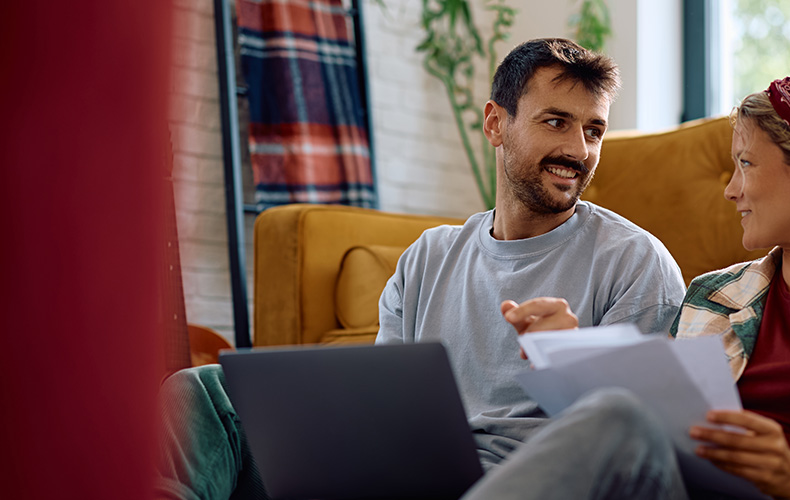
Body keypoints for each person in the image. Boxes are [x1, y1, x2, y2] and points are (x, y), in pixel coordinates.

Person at [155, 38, 686, 499]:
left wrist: (575, 361)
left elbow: (639, 440)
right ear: (496, 123)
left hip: (523, 480)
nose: (578, 149)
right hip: (405, 472)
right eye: (556, 122)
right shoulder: (428, 257)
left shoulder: (635, 262)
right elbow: (382, 408)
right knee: (207, 391)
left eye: (594, 131)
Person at [461, 71, 790, 500]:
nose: (731, 190)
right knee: (616, 412)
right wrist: (576, 360)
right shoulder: (712, 296)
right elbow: (651, 435)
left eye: (746, 164)